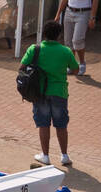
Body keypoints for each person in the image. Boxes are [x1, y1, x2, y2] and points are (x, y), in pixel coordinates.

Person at [22, 19, 79, 167]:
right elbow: (76, 69)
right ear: (58, 35)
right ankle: (64, 155)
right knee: (61, 125)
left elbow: (22, 66)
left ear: (44, 34)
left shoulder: (34, 49)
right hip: (59, 92)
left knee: (43, 124)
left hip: (39, 93)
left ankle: (45, 156)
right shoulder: (65, 51)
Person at [57, 0, 99, 75]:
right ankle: (71, 65)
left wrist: (92, 17)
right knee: (68, 42)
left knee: (77, 40)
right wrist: (58, 14)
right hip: (69, 12)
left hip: (83, 13)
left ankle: (82, 63)